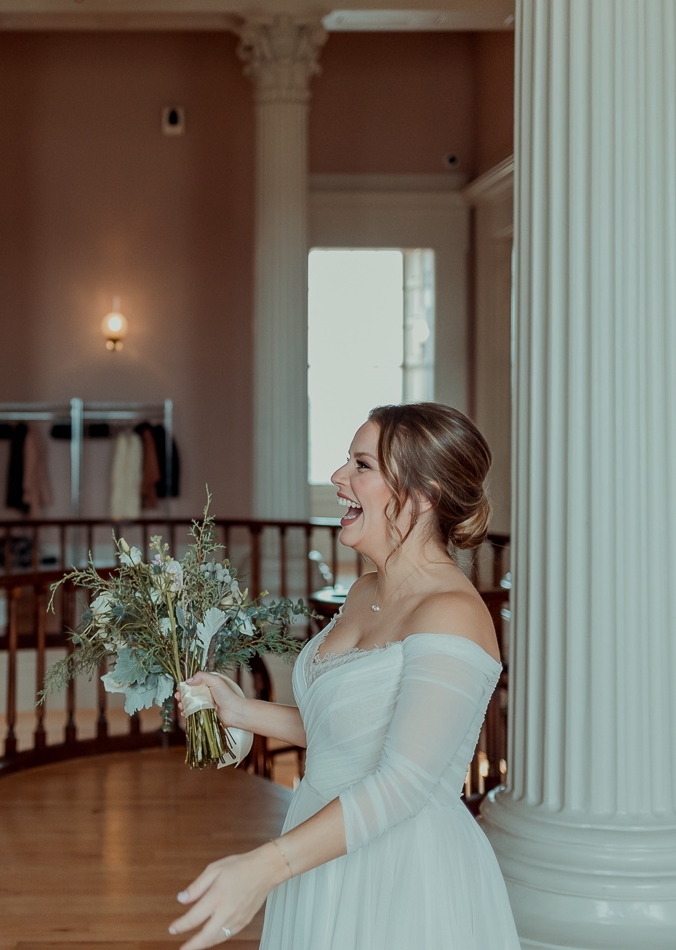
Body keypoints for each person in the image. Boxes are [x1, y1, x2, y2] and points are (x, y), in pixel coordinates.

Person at [170, 403, 520, 949]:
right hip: (321, 846)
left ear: (422, 493)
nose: (339, 478)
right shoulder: (363, 592)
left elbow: (402, 782)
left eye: (361, 465)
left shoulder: (452, 614)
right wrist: (239, 711)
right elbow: (350, 735)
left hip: (402, 873)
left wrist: (264, 868)